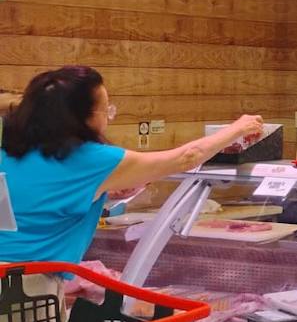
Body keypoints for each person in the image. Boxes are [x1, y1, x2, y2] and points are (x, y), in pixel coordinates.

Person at [0, 65, 263, 308]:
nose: (109, 118)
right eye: (106, 110)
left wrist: (102, 194)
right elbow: (187, 158)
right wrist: (238, 128)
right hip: (29, 290)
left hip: (8, 277)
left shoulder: (10, 149)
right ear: (80, 117)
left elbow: (36, 204)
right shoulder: (93, 158)